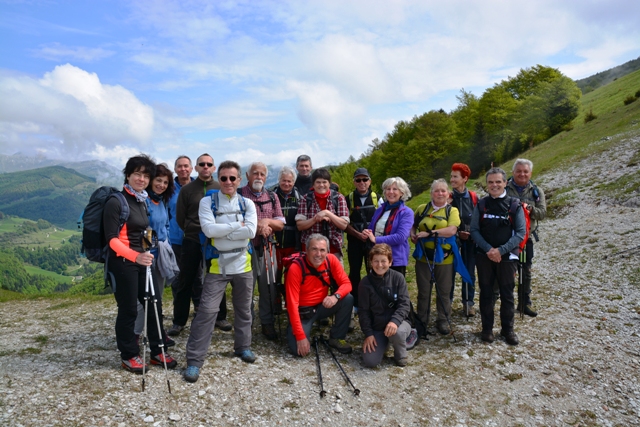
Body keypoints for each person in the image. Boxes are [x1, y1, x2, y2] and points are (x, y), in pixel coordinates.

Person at [184, 161, 258, 383]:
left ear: (239, 180)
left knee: (244, 310)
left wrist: (223, 232)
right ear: (219, 178)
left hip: (244, 265)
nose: (228, 182)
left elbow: (252, 232)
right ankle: (194, 361)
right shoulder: (207, 202)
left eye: (232, 178)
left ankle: (243, 347)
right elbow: (208, 230)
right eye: (224, 178)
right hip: (217, 266)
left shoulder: (248, 204)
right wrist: (237, 227)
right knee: (206, 312)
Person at [104, 154, 177, 373]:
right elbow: (111, 239)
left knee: (154, 306)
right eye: (137, 174)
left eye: (146, 175)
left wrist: (147, 250)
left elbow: (145, 230)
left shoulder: (141, 199)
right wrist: (136, 256)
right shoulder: (116, 201)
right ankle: (129, 355)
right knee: (128, 311)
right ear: (128, 175)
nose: (142, 179)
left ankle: (157, 351)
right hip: (122, 263)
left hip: (142, 261)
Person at [169, 154, 226, 336]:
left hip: (215, 241)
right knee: (186, 281)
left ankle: (220, 317)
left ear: (214, 167)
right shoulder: (187, 190)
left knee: (217, 278)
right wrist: (191, 230)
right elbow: (180, 217)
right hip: (192, 239)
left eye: (209, 164)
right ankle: (179, 321)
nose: (205, 167)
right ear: (196, 167)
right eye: (202, 164)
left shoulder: (220, 188)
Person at [471, 167, 525, 345]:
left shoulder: (515, 205)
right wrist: (489, 250)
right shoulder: (481, 204)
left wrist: (500, 251)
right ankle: (487, 329)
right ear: (487, 184)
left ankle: (507, 330)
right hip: (484, 256)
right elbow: (474, 230)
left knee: (507, 294)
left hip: (507, 257)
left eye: (498, 182)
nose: (494, 185)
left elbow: (520, 233)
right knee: (486, 293)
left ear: (505, 183)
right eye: (491, 182)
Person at [285, 234, 354, 356]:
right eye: (314, 249)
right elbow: (292, 304)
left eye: (322, 250)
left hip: (323, 306)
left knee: (347, 298)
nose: (318, 254)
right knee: (299, 351)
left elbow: (347, 284)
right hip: (303, 312)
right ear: (306, 250)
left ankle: (337, 337)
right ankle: (297, 330)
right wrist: (300, 337)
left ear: (327, 251)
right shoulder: (296, 268)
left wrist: (335, 296)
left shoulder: (331, 259)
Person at [411, 179, 463, 336]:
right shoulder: (422, 209)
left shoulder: (451, 211)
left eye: (443, 191)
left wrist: (430, 234)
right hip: (423, 258)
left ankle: (443, 320)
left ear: (448, 193)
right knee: (424, 292)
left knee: (444, 291)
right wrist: (413, 234)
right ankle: (422, 321)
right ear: (431, 193)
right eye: (436, 191)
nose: (440, 193)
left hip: (444, 259)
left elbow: (452, 230)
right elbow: (413, 225)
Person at [133, 163, 177, 348]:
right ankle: (134, 336)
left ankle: (158, 332)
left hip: (159, 254)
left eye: (166, 182)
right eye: (158, 180)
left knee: (156, 297)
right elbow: (142, 227)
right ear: (151, 180)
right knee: (145, 300)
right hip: (145, 256)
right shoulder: (144, 201)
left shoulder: (161, 201)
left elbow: (166, 224)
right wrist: (146, 250)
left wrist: (164, 241)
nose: (161, 185)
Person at [240, 162, 285, 340]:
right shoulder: (238, 195)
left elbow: (280, 223)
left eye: (262, 174)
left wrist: (266, 223)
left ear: (266, 177)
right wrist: (257, 225)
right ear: (247, 175)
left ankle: (267, 323)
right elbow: (233, 219)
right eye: (255, 173)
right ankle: (247, 325)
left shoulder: (273, 196)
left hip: (268, 247)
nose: (258, 177)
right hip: (245, 249)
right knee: (246, 288)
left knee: (268, 287)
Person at [358, 244, 411, 367]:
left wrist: (395, 321)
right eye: (376, 261)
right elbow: (363, 311)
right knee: (370, 361)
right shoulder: (365, 283)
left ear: (390, 262)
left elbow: (404, 304)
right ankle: (384, 343)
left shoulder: (398, 278)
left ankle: (400, 353)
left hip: (398, 324)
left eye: (383, 261)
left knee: (397, 333)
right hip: (378, 327)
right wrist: (369, 334)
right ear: (371, 262)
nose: (380, 265)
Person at [506, 158, 546, 317]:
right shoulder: (504, 187)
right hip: (507, 238)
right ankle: (501, 302)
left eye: (525, 171)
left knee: (526, 271)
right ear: (513, 172)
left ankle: (524, 303)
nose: (522, 174)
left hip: (527, 238)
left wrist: (530, 210)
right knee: (506, 270)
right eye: (519, 171)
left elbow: (542, 213)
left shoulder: (537, 191)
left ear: (530, 173)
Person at [344, 167, 379, 315]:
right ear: (354, 182)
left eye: (365, 179)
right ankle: (356, 303)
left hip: (372, 241)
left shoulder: (378, 197)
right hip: (354, 241)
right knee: (354, 272)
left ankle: (374, 302)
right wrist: (358, 234)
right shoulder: (348, 199)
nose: (362, 182)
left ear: (370, 181)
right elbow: (344, 223)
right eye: (358, 180)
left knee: (374, 271)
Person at [363, 177, 413, 276]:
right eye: (388, 189)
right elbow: (372, 228)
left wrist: (376, 239)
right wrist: (367, 232)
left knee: (394, 289)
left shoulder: (407, 212)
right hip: (377, 258)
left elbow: (401, 237)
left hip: (395, 259)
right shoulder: (380, 210)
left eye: (395, 189)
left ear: (402, 193)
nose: (391, 192)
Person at [296, 168, 349, 260]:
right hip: (310, 248)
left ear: (329, 183)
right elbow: (300, 225)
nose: (321, 185)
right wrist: (316, 218)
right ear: (313, 184)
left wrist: (327, 213)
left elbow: (344, 224)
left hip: (333, 249)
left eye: (324, 182)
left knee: (335, 274)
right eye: (318, 182)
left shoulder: (338, 198)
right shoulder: (306, 199)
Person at [449, 163, 479, 316]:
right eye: (451, 176)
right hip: (452, 240)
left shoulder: (474, 198)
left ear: (465, 179)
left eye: (455, 177)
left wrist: (472, 234)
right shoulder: (448, 197)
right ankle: (447, 304)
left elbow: (479, 219)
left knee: (469, 272)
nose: (452, 179)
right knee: (450, 271)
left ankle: (468, 304)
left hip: (470, 240)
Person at [272, 165, 302, 287]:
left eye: (289, 181)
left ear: (293, 182)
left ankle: (290, 302)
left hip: (293, 243)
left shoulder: (299, 197)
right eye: (283, 180)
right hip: (275, 243)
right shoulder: (272, 196)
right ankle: (275, 303)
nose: (286, 183)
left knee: (291, 275)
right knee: (275, 276)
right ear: (279, 180)